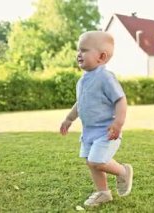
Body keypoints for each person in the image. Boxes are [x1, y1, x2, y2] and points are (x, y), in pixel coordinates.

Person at [60, 31, 133, 207]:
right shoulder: (82, 81)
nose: (78, 54)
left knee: (97, 161)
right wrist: (69, 119)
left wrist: (118, 123)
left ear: (101, 56)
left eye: (84, 50)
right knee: (90, 162)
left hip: (106, 131)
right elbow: (80, 103)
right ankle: (103, 192)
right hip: (89, 133)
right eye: (78, 50)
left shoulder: (105, 77)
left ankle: (123, 171)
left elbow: (120, 99)